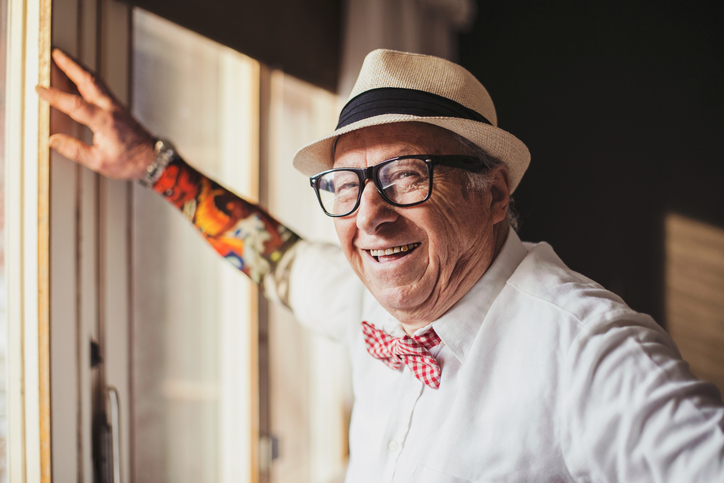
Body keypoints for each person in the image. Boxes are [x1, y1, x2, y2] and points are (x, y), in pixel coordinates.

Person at [37, 48, 724, 482]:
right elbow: (277, 258)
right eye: (346, 185)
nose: (369, 216)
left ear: (494, 194)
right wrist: (156, 166)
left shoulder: (588, 348)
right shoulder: (377, 298)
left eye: (405, 175)